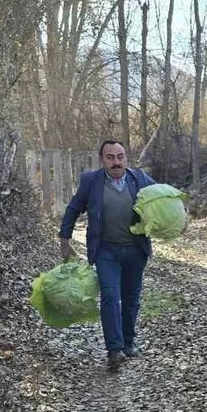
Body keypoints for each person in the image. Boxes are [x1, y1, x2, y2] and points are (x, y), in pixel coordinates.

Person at [59, 140, 157, 372]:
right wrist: (65, 238)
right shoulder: (91, 181)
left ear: (126, 158)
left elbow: (163, 196)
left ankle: (128, 343)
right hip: (106, 251)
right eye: (110, 157)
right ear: (102, 160)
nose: (116, 162)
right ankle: (114, 350)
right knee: (111, 297)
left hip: (136, 250)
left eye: (120, 156)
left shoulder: (139, 179)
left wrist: (180, 215)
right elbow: (74, 208)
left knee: (131, 298)